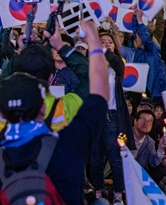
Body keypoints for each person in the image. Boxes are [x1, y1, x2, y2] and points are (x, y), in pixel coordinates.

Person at [0, 21, 110, 205]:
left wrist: (19, 55)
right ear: (42, 109)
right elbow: (98, 87)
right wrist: (71, 44)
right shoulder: (69, 136)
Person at [90, 31, 135, 204]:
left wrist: (104, 49)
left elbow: (116, 60)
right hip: (94, 117)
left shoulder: (118, 66)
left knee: (115, 158)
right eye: (103, 41)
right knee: (96, 160)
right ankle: (98, 192)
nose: (107, 44)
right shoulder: (90, 65)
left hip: (111, 116)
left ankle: (118, 194)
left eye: (110, 42)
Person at [115, 5, 166, 101]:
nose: (135, 38)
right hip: (141, 91)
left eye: (137, 36)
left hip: (156, 92)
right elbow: (135, 31)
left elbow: (145, 38)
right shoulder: (137, 51)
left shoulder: (152, 49)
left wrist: (140, 19)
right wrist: (134, 16)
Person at [132, 110, 166, 184]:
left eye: (150, 121)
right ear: (135, 121)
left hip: (138, 174)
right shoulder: (125, 135)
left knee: (157, 173)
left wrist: (160, 148)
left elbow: (153, 162)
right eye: (143, 119)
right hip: (121, 171)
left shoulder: (150, 142)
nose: (146, 123)